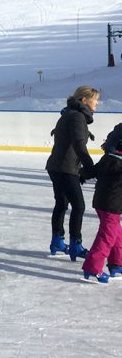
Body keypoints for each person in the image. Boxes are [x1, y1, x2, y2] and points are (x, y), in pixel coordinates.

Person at [46, 86, 99, 261]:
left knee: (61, 204)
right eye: (95, 99)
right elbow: (78, 144)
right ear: (84, 101)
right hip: (65, 168)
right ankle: (75, 244)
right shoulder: (77, 117)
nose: (97, 103)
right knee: (79, 206)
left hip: (56, 166)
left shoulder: (69, 114)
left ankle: (57, 241)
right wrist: (90, 168)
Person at [79, 138, 122, 283]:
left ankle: (117, 264)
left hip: (100, 203)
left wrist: (81, 173)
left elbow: (91, 172)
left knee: (116, 233)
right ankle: (92, 267)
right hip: (112, 206)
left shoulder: (107, 159)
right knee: (107, 237)